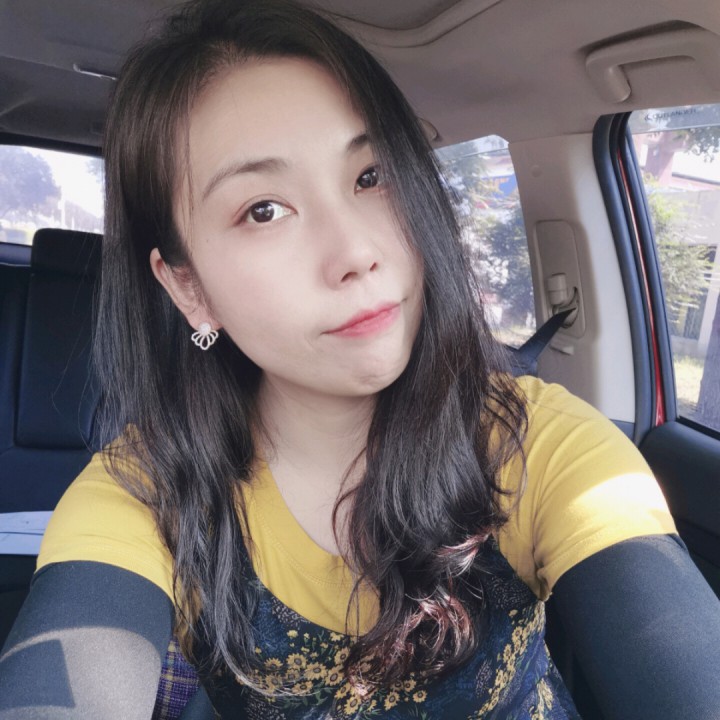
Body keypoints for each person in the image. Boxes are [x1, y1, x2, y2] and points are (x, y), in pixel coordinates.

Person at [1, 0, 719, 718]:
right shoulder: (146, 496)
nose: (355, 252)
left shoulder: (535, 443)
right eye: (263, 210)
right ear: (188, 288)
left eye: (371, 176)